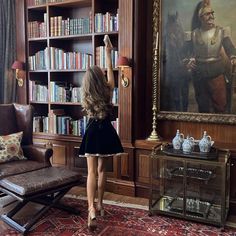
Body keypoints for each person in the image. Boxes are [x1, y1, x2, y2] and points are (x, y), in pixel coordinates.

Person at [79, 41, 124, 229]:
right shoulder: (108, 90)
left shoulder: (85, 93)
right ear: (101, 77)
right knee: (102, 170)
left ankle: (91, 209)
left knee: (90, 172)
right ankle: (100, 204)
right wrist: (108, 52)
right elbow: (111, 73)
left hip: (91, 133)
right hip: (106, 132)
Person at [186, 0, 236, 113]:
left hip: (217, 75)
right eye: (207, 14)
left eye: (212, 13)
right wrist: (188, 60)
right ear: (200, 17)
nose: (211, 16)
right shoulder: (193, 34)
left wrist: (233, 56)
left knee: (220, 107)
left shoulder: (221, 32)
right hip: (199, 76)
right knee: (203, 108)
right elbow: (185, 53)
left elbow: (230, 48)